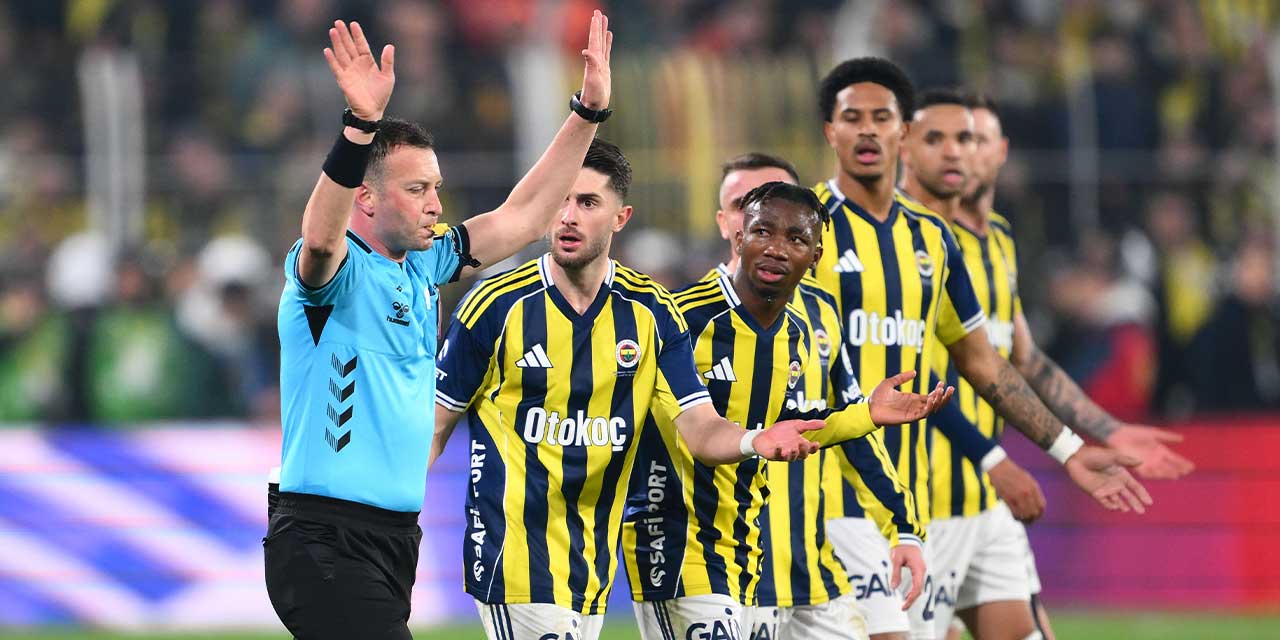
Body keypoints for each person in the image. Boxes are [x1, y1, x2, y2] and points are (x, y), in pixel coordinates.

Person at [265, 13, 615, 639]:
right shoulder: (332, 276)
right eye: (417, 189)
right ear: (366, 199)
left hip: (394, 538)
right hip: (323, 536)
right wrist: (358, 128)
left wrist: (587, 113)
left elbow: (524, 216)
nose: (436, 204)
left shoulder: (424, 265)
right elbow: (318, 238)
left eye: (437, 188)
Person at [428, 140, 835, 640]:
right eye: (561, 200)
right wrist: (386, 518)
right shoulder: (495, 305)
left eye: (588, 202)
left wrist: (755, 440)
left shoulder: (651, 313)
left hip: (592, 564)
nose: (569, 217)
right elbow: (436, 426)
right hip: (513, 557)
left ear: (620, 218)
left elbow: (701, 429)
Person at [809, 57, 1153, 640]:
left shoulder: (933, 239)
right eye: (852, 118)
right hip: (827, 501)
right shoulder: (807, 227)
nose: (867, 130)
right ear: (830, 131)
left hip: (909, 507)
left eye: (881, 117)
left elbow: (983, 361)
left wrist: (1069, 450)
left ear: (900, 131)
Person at [921, 91, 1196, 640]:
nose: (960, 153)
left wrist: (1108, 429)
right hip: (925, 499)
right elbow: (910, 371)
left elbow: (1024, 358)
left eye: (973, 139)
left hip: (986, 499)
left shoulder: (999, 240)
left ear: (1000, 151)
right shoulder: (921, 243)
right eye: (945, 140)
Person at [624, 179, 949, 640]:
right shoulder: (679, 319)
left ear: (815, 256)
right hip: (676, 544)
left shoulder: (798, 334)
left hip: (745, 552)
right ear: (739, 237)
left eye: (795, 239)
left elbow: (785, 430)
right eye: (763, 232)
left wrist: (866, 414)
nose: (776, 249)